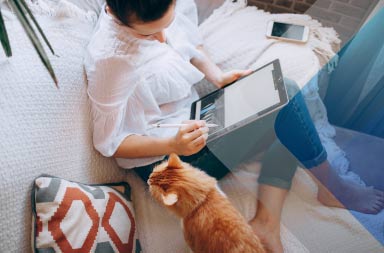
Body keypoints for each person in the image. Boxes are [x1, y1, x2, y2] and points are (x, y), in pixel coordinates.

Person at [84, 0, 384, 252]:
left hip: (195, 119)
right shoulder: (111, 61)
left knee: (288, 114)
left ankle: (266, 223)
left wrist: (217, 76)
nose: (164, 38)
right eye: (150, 35)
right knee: (288, 97)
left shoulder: (155, 8)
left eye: (167, 24)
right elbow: (109, 143)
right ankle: (332, 187)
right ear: (113, 12)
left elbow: (188, 46)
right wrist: (171, 145)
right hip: (167, 160)